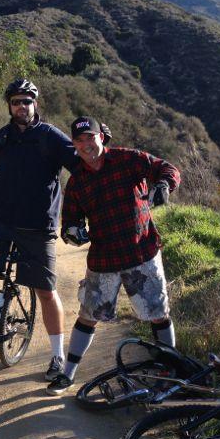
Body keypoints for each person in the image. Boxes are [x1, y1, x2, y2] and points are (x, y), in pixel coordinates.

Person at [46, 116, 181, 395]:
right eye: (80, 140)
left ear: (101, 138)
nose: (86, 145)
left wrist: (165, 185)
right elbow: (70, 221)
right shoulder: (77, 182)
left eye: (90, 138)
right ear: (74, 144)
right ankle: (67, 375)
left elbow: (166, 169)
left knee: (158, 314)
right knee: (88, 315)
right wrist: (72, 232)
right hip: (103, 260)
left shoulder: (128, 160)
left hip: (141, 253)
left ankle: (170, 373)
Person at [0, 79, 79, 380]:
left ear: (35, 104)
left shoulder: (50, 137)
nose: (22, 106)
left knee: (45, 291)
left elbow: (80, 169)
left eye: (27, 101)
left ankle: (58, 356)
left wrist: (78, 215)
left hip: (37, 227)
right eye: (16, 101)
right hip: (1, 221)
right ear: (9, 105)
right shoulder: (3, 137)